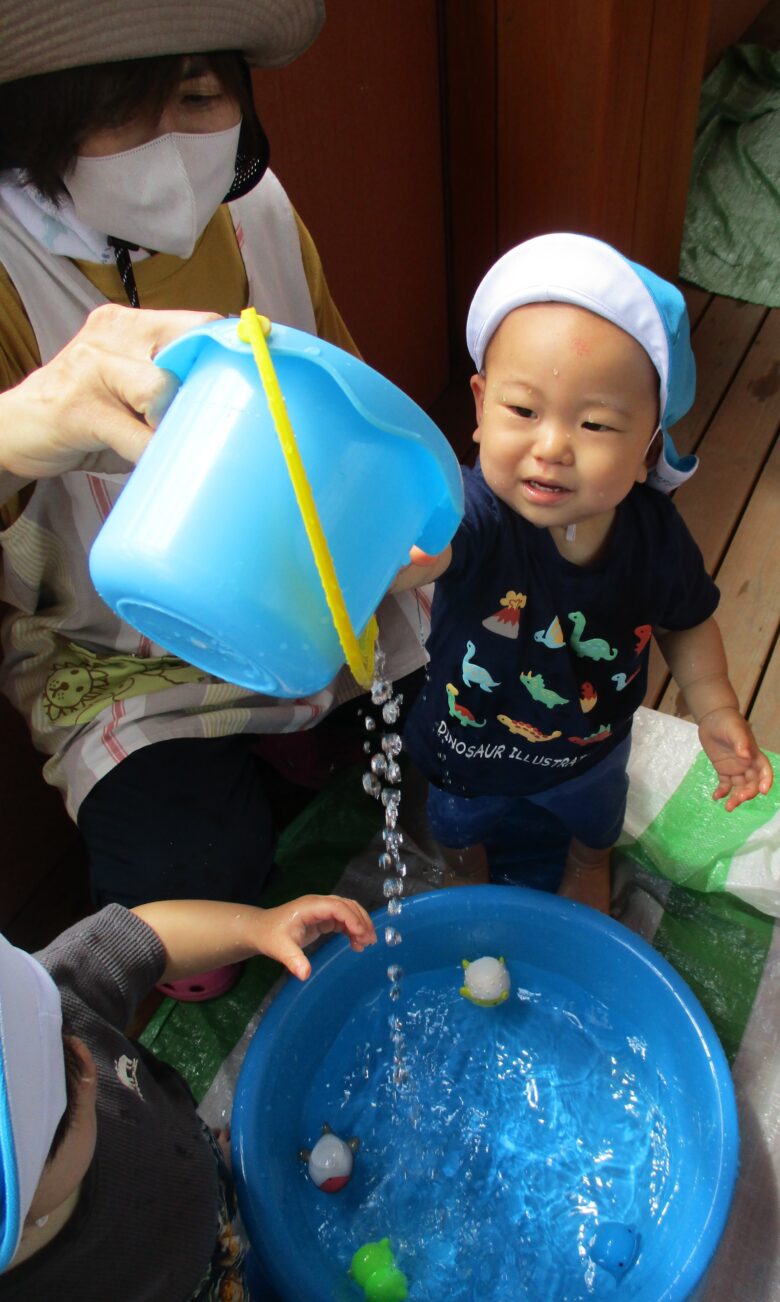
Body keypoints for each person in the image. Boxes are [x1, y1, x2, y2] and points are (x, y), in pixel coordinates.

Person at [0, 0, 428, 996]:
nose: (170, 148)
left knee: (467, 730)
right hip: (121, 653)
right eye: (120, 110)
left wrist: (405, 528)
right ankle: (246, 770)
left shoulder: (259, 212)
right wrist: (23, 425)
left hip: (300, 591)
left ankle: (292, 741)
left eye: (198, 97)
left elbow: (356, 409)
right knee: (181, 886)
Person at [394, 233, 773, 912]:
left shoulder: (654, 538)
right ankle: (465, 869)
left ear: (648, 447)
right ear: (479, 406)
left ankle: (586, 862)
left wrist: (715, 707)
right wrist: (384, 556)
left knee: (596, 819)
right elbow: (425, 555)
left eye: (595, 424)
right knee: (456, 822)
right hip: (468, 737)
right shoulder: (474, 513)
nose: (552, 446)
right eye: (522, 411)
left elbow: (686, 621)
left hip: (591, 745)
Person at [0, 890, 376, 1299]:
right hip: (191, 1288)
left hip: (181, 1158)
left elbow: (139, 939)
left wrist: (259, 926)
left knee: (204, 1169)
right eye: (66, 1101)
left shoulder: (46, 1006)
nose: (85, 1059)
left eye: (56, 1038)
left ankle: (212, 1171)